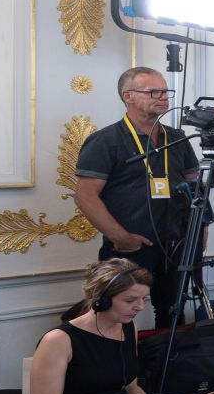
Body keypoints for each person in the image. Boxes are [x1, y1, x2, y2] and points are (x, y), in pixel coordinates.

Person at [73, 66, 200, 326]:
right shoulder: (105, 140)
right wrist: (120, 237)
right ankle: (123, 365)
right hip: (130, 246)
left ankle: (169, 365)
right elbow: (85, 196)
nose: (163, 97)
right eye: (153, 91)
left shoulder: (176, 138)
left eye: (166, 91)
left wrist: (199, 232)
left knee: (173, 310)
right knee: (117, 314)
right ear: (127, 96)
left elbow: (195, 189)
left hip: (176, 244)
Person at [28, 259, 151, 394]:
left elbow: (131, 387)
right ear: (101, 300)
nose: (140, 307)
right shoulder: (58, 340)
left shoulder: (128, 328)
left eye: (144, 298)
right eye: (130, 300)